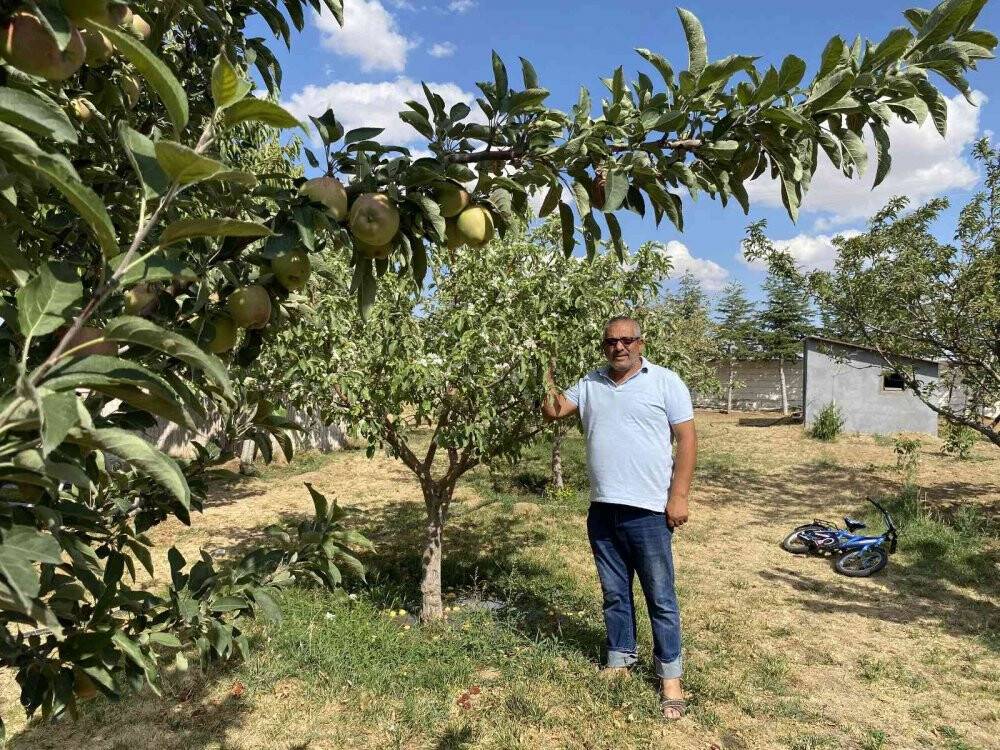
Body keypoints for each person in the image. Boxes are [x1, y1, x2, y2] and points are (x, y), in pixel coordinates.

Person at [541, 316, 697, 721]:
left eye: (627, 340)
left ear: (641, 344)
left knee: (660, 597)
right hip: (603, 508)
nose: (619, 347)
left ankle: (671, 678)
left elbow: (687, 437)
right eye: (611, 342)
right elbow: (553, 410)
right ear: (603, 346)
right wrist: (542, 367)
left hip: (648, 510)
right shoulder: (590, 383)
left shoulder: (665, 381)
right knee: (614, 592)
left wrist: (678, 495)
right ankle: (619, 659)